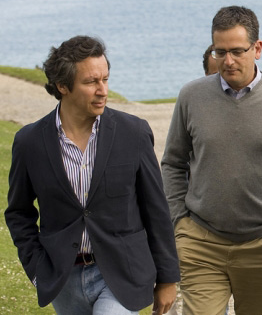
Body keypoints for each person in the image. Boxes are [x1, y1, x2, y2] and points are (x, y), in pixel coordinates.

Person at [4, 35, 180, 314]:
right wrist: (38, 269)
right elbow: (18, 213)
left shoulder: (133, 133)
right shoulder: (30, 142)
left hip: (123, 274)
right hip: (63, 279)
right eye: (91, 82)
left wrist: (168, 277)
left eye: (105, 79)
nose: (103, 90)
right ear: (63, 86)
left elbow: (156, 209)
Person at [161, 5, 262, 315]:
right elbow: (173, 162)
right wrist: (179, 222)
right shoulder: (191, 96)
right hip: (201, 243)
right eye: (219, 52)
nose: (227, 61)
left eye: (237, 51)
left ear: (258, 48)